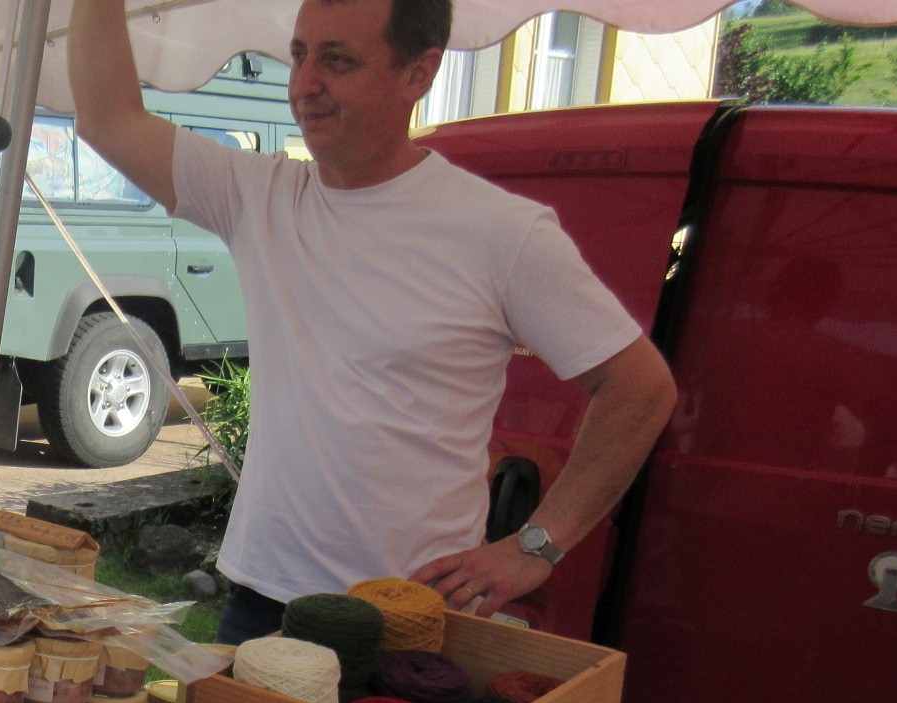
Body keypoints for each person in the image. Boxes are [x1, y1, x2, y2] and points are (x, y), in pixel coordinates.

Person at [69, 0, 677, 641]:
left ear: (419, 73)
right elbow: (109, 119)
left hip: (407, 617)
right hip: (260, 601)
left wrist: (536, 546)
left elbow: (639, 388)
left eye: (337, 60)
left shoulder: (500, 232)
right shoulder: (260, 195)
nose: (304, 84)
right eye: (299, 55)